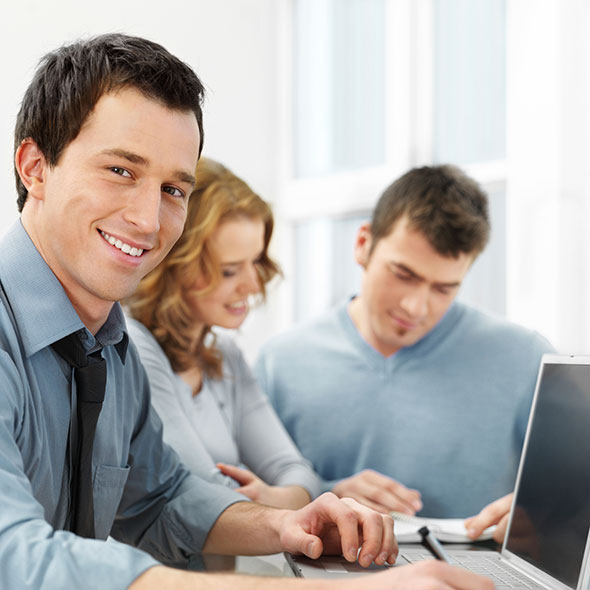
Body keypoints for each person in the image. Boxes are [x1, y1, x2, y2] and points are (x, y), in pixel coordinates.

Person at [0, 33, 492, 590]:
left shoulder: (111, 347)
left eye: (173, 189)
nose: (147, 218)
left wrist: (289, 524)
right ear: (34, 166)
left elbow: (162, 498)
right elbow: (15, 555)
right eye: (120, 171)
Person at [255, 165, 554, 519]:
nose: (416, 307)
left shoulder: (526, 358)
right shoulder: (280, 363)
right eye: (403, 274)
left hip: (474, 572)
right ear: (363, 244)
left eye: (444, 288)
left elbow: (571, 502)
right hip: (323, 571)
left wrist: (541, 518)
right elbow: (245, 503)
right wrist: (322, 495)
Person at [125, 157, 321, 509]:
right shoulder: (132, 345)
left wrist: (281, 496)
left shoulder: (224, 357)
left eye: (256, 261)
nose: (252, 284)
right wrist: (286, 501)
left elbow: (297, 471)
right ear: (174, 266)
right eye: (230, 270)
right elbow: (203, 494)